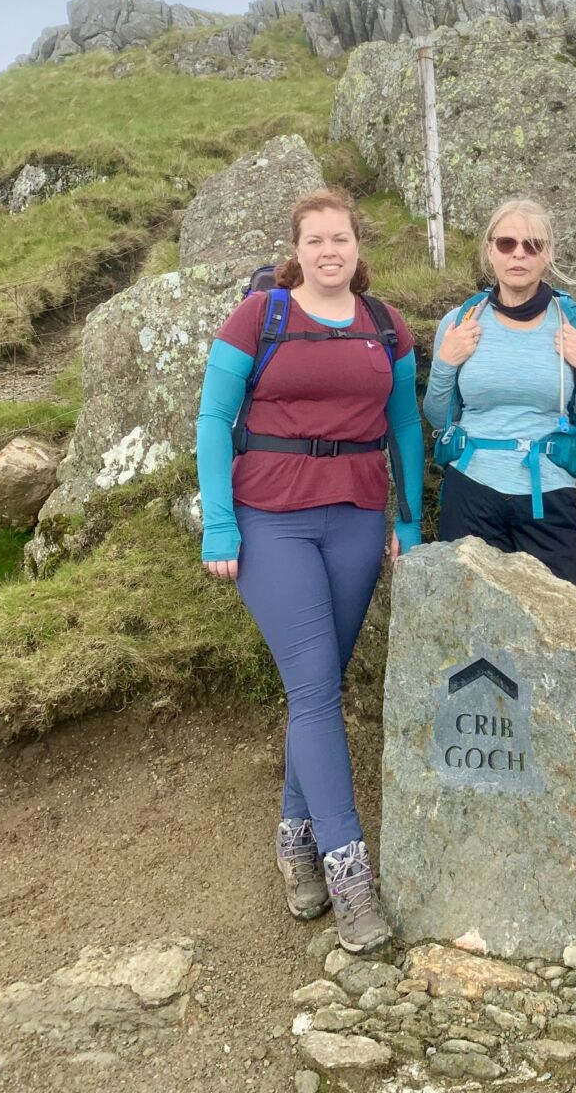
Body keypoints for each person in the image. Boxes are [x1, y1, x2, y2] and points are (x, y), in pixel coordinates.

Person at [196, 188, 423, 951]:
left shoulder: (385, 326)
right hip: (271, 522)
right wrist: (221, 525)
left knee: (316, 688)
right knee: (317, 687)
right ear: (297, 248)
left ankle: (294, 838)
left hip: (357, 519)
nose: (331, 251)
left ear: (359, 247)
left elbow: (403, 426)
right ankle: (350, 877)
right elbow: (212, 418)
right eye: (316, 240)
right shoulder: (258, 318)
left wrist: (411, 517)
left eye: (343, 239)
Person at [424, 198, 576, 588]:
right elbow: (438, 418)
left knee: (562, 627)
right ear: (490, 250)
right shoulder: (459, 322)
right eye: (506, 243)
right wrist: (444, 362)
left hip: (550, 492)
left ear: (548, 253)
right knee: (470, 627)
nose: (519, 254)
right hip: (471, 488)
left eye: (533, 245)